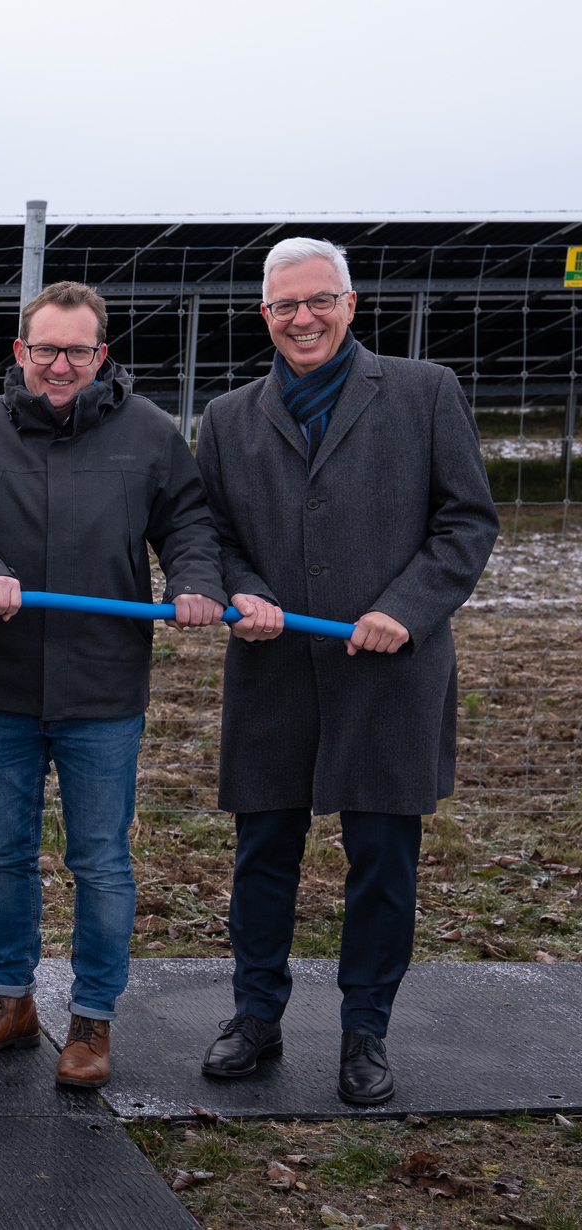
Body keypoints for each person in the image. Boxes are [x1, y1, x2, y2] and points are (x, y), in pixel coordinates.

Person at [196, 238, 498, 1105]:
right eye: (286, 305)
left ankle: (366, 1030)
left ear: (351, 304)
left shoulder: (424, 392)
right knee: (263, 856)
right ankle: (255, 1016)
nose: (303, 318)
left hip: (391, 673)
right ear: (265, 316)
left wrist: (404, 609)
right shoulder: (228, 417)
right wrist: (244, 594)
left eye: (319, 300)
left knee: (382, 860)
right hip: (273, 667)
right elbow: (214, 536)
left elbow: (466, 524)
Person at [0, 282, 225, 1089]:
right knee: (3, 854)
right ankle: (7, 1002)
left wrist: (195, 581)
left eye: (78, 352)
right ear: (19, 353)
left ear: (102, 356)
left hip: (102, 682)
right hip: (2, 676)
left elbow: (188, 523)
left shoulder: (151, 434)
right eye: (45, 350)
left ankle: (91, 1020)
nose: (61, 366)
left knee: (101, 859)